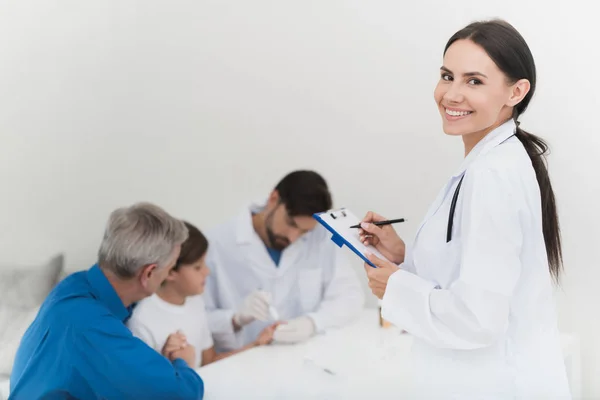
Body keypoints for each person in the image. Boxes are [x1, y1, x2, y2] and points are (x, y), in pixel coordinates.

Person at [360, 19, 571, 399]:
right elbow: (475, 273)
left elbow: (478, 319)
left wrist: (396, 286)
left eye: (474, 81)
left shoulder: (491, 174)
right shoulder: (497, 160)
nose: (451, 94)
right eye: (447, 76)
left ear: (516, 91)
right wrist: (404, 258)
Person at [9, 203, 205, 400]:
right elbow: (181, 394)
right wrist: (183, 362)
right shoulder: (92, 328)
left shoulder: (73, 286)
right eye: (169, 268)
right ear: (149, 272)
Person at [204, 170, 364, 350]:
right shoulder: (217, 244)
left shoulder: (321, 236)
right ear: (273, 198)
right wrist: (235, 318)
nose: (293, 238)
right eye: (291, 224)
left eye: (304, 232)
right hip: (243, 360)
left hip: (302, 356)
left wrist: (313, 322)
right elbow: (197, 321)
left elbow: (350, 296)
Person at [127, 221, 280, 368]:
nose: (207, 272)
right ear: (170, 271)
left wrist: (256, 344)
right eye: (197, 267)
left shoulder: (195, 302)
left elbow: (209, 362)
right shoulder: (142, 322)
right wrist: (174, 364)